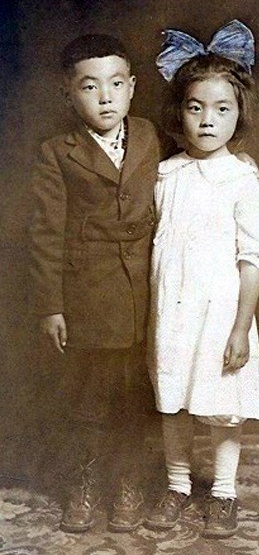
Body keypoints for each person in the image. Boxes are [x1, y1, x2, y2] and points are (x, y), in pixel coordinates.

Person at [28, 32, 172, 535]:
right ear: (68, 94)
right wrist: (50, 305)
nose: (105, 96)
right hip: (90, 296)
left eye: (115, 84)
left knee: (140, 395)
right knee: (90, 396)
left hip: (150, 291)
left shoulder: (152, 135)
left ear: (132, 87)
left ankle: (131, 482)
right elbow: (44, 234)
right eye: (90, 86)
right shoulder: (56, 153)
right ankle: (84, 484)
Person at [146, 21, 259, 539]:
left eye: (222, 109)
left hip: (220, 314)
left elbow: (252, 258)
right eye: (196, 107)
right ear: (181, 111)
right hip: (171, 309)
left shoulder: (241, 178)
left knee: (223, 408)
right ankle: (178, 485)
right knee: (171, 399)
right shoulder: (166, 174)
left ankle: (223, 493)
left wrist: (240, 327)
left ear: (238, 115)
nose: (207, 120)